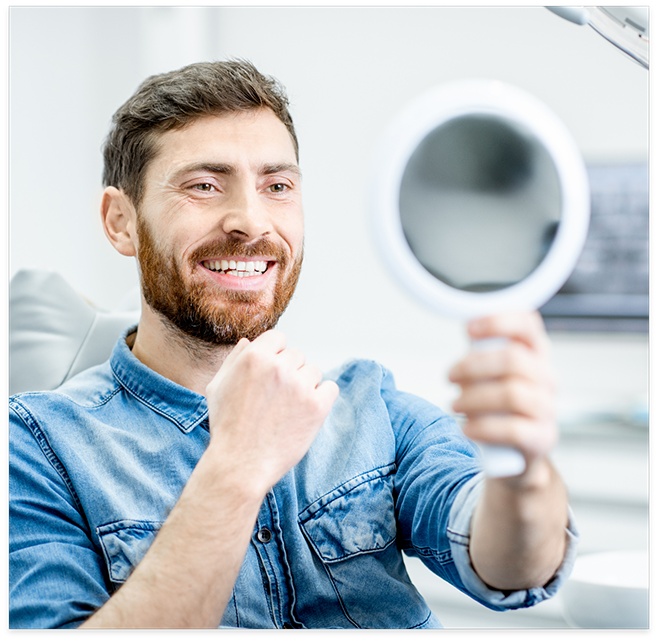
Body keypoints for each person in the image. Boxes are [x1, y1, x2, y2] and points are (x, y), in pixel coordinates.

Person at [9, 59, 578, 629]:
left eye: (277, 186)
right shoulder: (35, 445)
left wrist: (523, 473)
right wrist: (237, 464)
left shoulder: (369, 405)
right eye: (204, 185)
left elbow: (514, 567)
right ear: (120, 222)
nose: (250, 221)